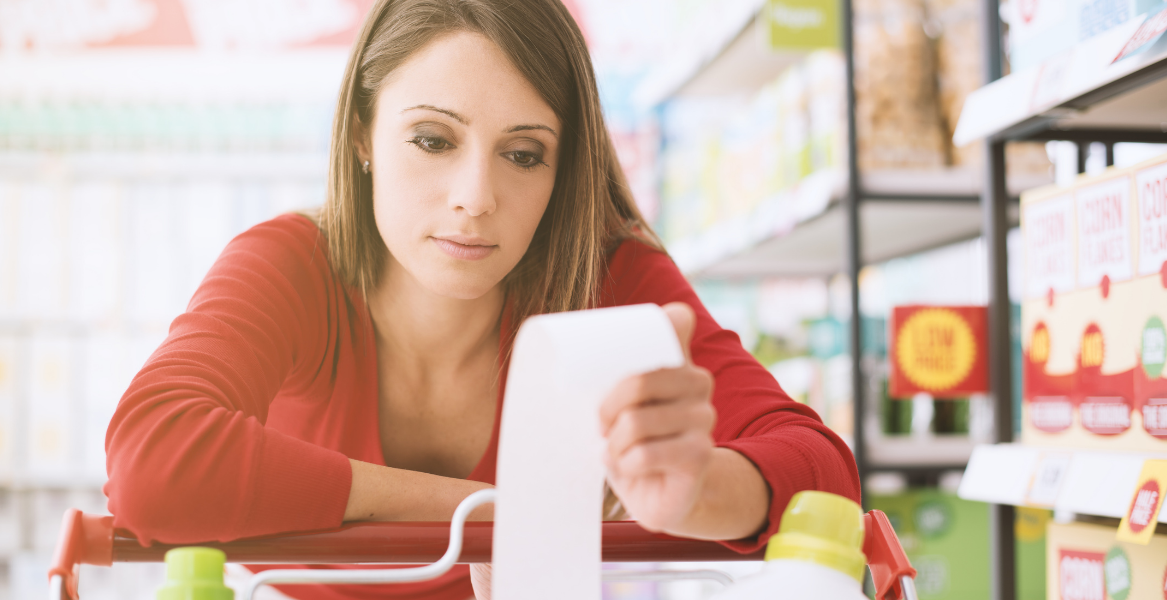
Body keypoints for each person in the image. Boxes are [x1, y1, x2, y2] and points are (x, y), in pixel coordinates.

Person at [103, 1, 860, 598]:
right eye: (433, 140)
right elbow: (153, 462)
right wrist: (486, 510)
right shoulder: (293, 263)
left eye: (523, 155)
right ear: (363, 135)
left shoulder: (607, 278)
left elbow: (823, 473)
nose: (476, 199)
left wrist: (699, 493)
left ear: (562, 171)